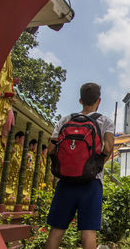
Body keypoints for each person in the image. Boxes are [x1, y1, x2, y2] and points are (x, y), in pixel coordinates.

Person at [45, 83, 114, 249]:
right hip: (92, 182)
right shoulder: (105, 121)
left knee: (56, 229)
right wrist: (94, 165)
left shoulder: (66, 120)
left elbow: (52, 149)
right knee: (88, 231)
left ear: (80, 100)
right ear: (99, 100)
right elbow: (109, 148)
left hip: (66, 181)